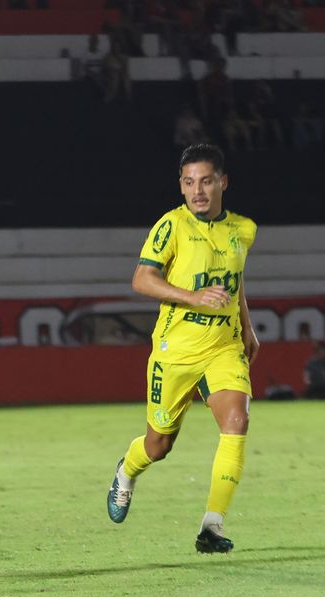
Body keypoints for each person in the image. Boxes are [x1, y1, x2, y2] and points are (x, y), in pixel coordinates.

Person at [105, 144, 258, 554]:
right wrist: (192, 297)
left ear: (222, 182)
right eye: (189, 182)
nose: (198, 191)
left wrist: (247, 324)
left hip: (222, 347)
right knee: (159, 446)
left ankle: (211, 526)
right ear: (181, 186)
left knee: (237, 421)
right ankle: (127, 471)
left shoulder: (244, 229)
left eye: (206, 181)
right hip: (175, 352)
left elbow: (234, 280)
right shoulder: (170, 226)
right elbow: (141, 279)